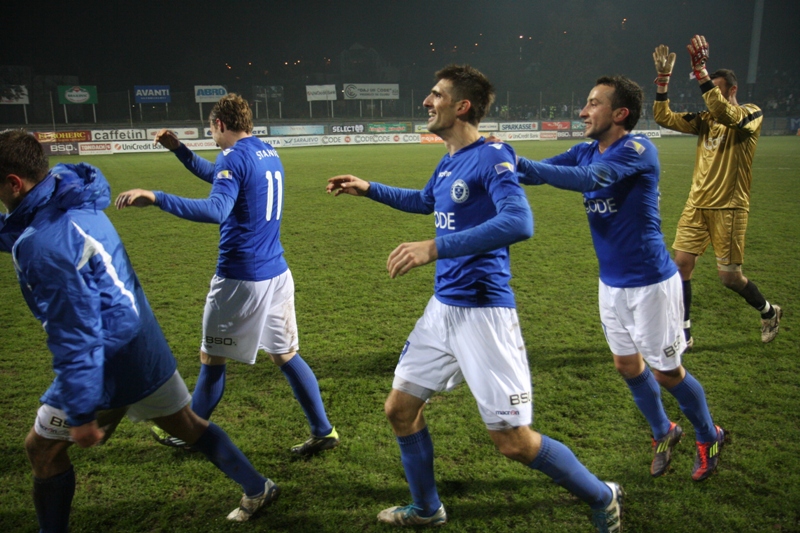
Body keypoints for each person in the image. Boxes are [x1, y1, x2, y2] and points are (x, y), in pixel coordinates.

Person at [326, 64, 623, 532]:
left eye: (435, 94)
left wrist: (433, 247)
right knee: (399, 409)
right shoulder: (448, 159)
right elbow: (426, 202)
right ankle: (427, 508)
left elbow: (519, 222)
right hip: (443, 307)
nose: (427, 102)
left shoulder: (491, 156)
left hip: (484, 312)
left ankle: (601, 495)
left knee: (513, 442)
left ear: (461, 106)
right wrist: (368, 188)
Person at [0, 129, 280, 531]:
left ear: (13, 183)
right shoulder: (70, 194)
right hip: (142, 343)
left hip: (105, 360)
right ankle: (258, 486)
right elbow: (27, 227)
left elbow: (76, 331)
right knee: (188, 425)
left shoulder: (43, 243)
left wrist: (80, 411)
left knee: (41, 450)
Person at [515, 75, 726, 481]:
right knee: (627, 365)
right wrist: (500, 159)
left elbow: (588, 179)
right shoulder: (587, 149)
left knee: (666, 371)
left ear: (619, 113)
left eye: (593, 103)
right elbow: (539, 173)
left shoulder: (637, 149)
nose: (583, 111)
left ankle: (708, 434)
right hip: (611, 284)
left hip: (650, 284)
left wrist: (518, 164)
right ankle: (664, 432)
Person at [115, 93, 338, 456]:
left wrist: (157, 197)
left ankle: (189, 433)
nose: (213, 138)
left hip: (240, 277)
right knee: (285, 355)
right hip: (276, 272)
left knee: (212, 357)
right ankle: (323, 431)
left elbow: (217, 208)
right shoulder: (266, 151)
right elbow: (220, 175)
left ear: (220, 124)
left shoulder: (232, 157)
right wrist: (181, 151)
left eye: (211, 130)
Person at [652, 35, 782, 346]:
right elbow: (663, 116)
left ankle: (768, 311)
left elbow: (726, 113)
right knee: (681, 265)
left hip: (729, 206)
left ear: (732, 90)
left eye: (715, 88)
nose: (708, 96)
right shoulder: (706, 121)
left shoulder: (750, 114)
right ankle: (684, 334)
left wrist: (701, 72)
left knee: (729, 278)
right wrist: (662, 81)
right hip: (697, 204)